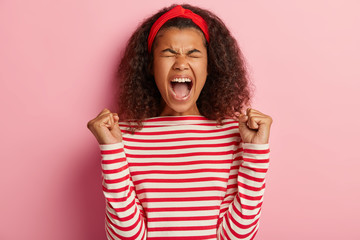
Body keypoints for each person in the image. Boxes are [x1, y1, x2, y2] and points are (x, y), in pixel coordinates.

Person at [87, 4, 273, 240]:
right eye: (168, 53)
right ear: (151, 67)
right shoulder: (122, 137)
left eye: (193, 54)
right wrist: (111, 149)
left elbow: (238, 236)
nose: (181, 63)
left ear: (209, 68)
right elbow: (127, 237)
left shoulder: (233, 133)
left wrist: (256, 152)